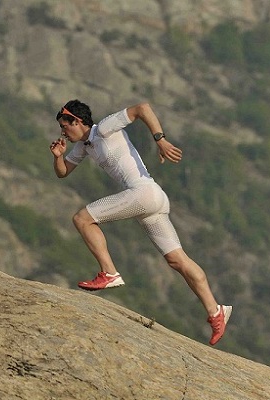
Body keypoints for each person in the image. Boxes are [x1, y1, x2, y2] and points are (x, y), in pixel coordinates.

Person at [49, 99, 232, 346]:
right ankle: (215, 311)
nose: (63, 132)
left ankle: (109, 272)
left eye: (65, 126)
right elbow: (62, 173)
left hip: (143, 193)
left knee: (82, 219)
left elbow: (142, 108)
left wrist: (161, 140)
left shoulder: (103, 128)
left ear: (78, 121)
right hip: (152, 200)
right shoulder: (84, 147)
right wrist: (58, 156)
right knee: (177, 260)